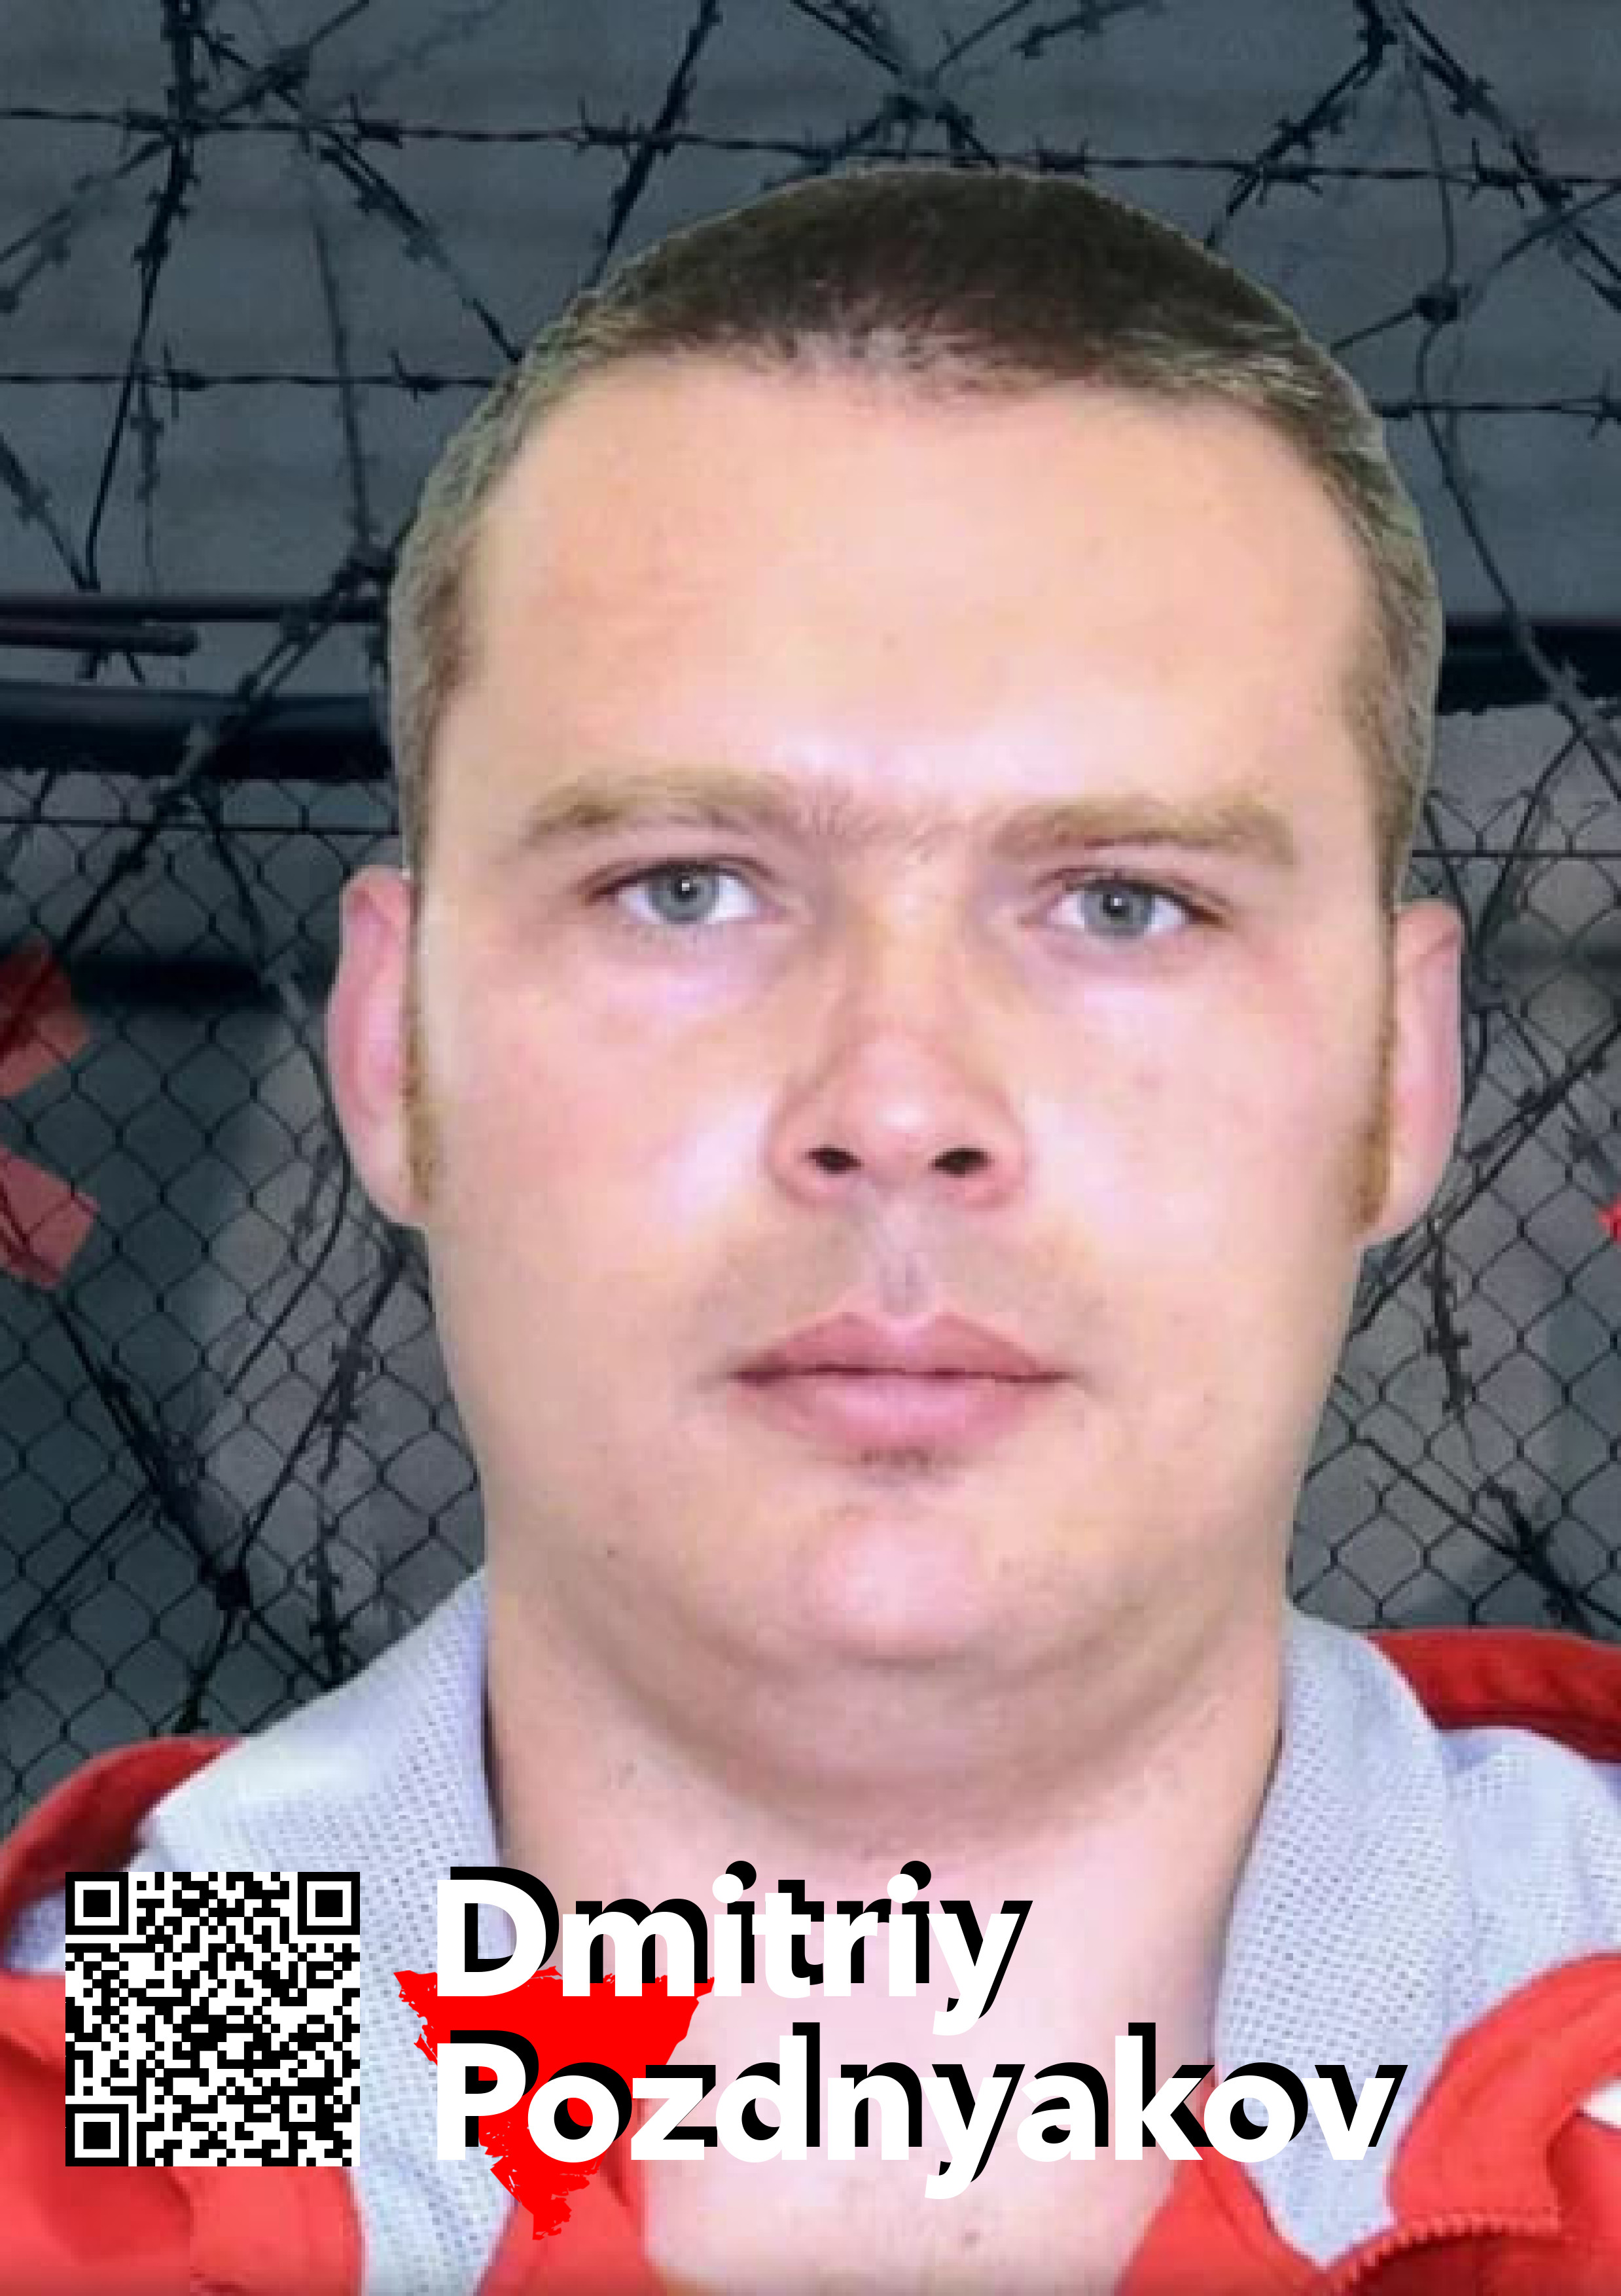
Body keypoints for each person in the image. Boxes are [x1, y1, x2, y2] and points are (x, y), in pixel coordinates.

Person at [4, 160, 1621, 2296]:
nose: (897, 1102)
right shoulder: (79, 2142)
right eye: (685, 887)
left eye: (1125, 901)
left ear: (1403, 1078)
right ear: (392, 1049)